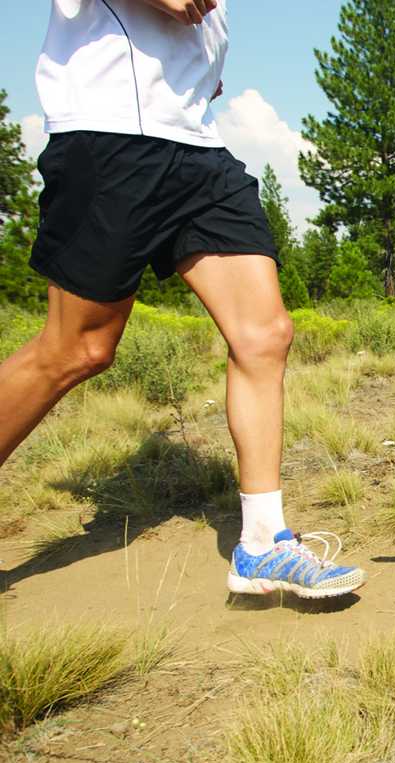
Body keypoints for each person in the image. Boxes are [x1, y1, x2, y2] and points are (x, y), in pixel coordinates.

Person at [0, 0, 366, 598]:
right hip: (109, 134)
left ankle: (262, 545)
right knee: (78, 349)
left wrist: (197, 66)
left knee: (264, 333)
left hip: (194, 144)